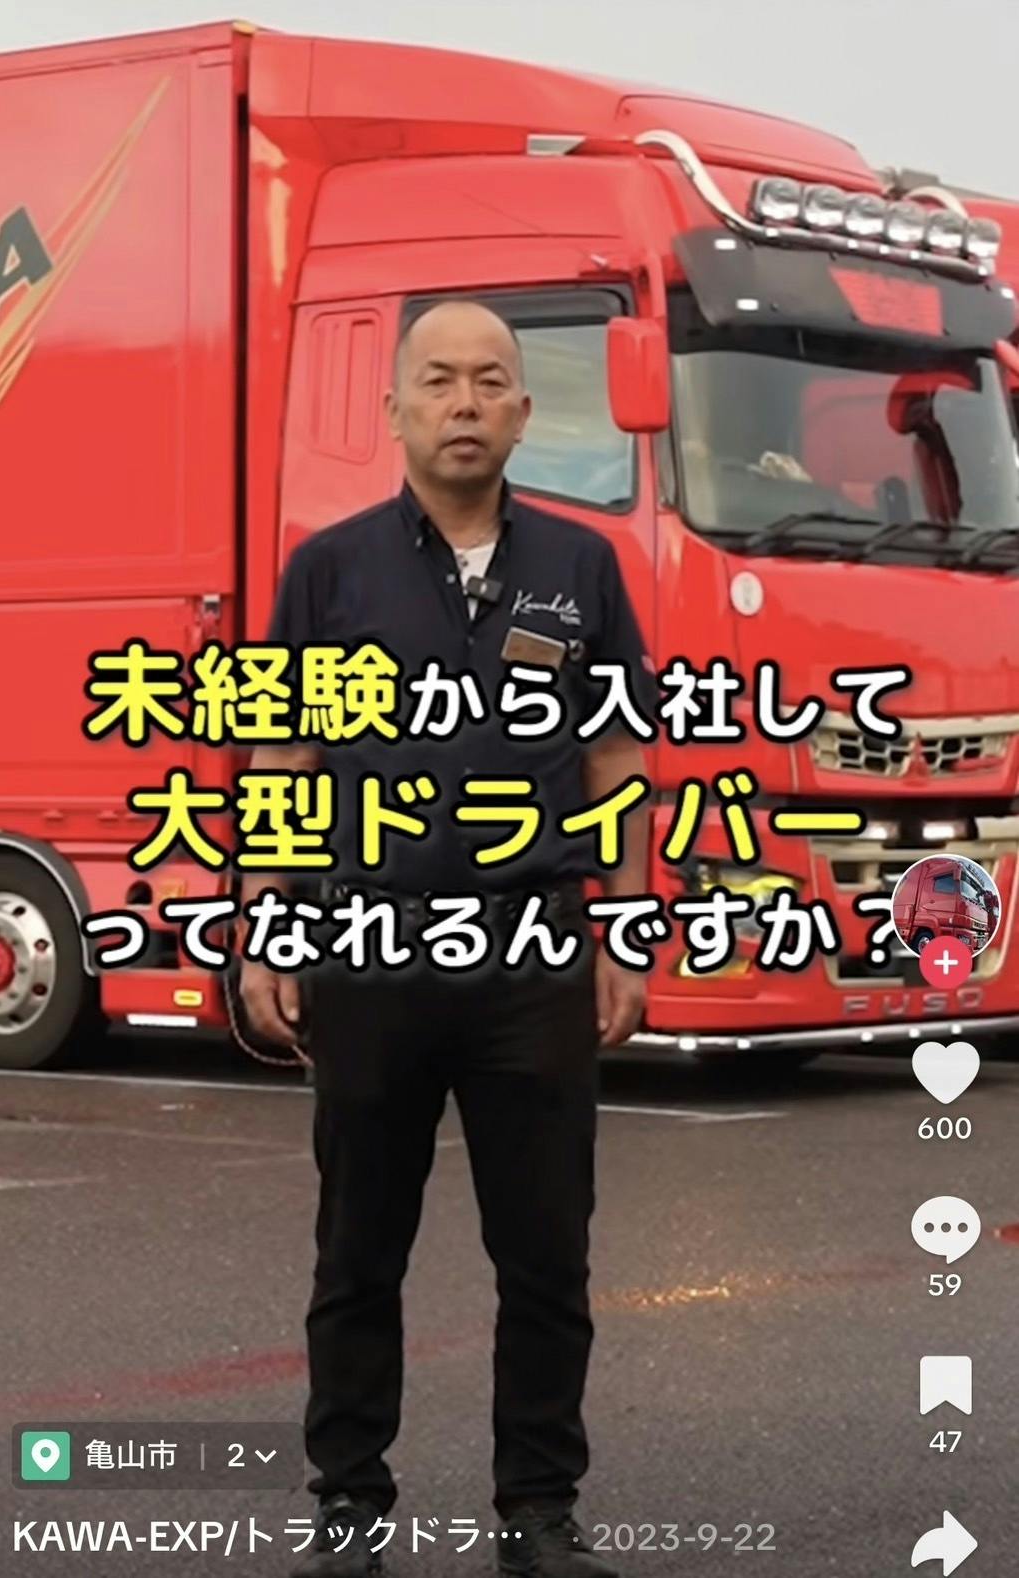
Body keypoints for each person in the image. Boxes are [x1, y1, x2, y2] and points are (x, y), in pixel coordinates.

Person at [240, 299, 655, 1578]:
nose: (462, 402)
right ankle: (348, 1508)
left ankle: (539, 1510)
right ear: (394, 411)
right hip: (371, 950)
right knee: (357, 1254)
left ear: (524, 412)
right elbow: (284, 754)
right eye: (436, 381)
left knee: (546, 1257)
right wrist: (269, 930)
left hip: (535, 957)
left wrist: (624, 932)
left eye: (487, 381)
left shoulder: (583, 566)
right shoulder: (328, 568)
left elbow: (616, 756)